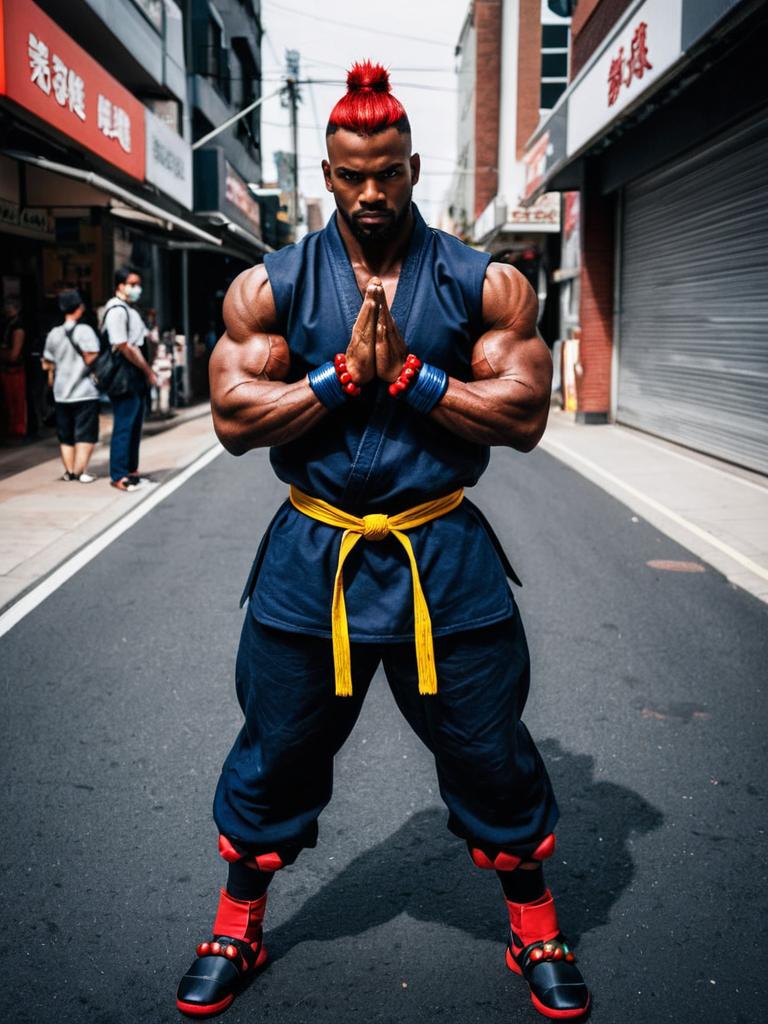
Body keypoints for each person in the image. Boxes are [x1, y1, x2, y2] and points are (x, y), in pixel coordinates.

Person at [176, 63, 590, 1022]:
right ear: (327, 171)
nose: (373, 193)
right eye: (354, 175)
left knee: (491, 749)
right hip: (311, 560)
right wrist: (334, 381)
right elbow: (235, 419)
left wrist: (410, 379)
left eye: (391, 173)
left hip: (441, 556)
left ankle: (536, 925)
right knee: (275, 749)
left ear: (412, 168)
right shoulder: (268, 285)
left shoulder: (480, 280)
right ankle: (238, 920)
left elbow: (524, 414)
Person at [102, 267, 157, 491]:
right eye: (132, 284)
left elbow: (143, 337)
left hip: (135, 374)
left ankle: (132, 471)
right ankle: (119, 475)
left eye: (138, 284)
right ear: (120, 286)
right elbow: (123, 345)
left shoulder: (130, 309)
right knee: (124, 425)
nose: (137, 289)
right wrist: (147, 370)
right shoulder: (116, 310)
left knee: (135, 425)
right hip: (125, 373)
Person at [41, 289, 101, 482]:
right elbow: (92, 355)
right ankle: (81, 472)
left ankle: (69, 472)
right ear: (79, 308)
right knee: (86, 433)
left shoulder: (54, 334)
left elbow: (46, 362)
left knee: (65, 434)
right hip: (84, 391)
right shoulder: (85, 331)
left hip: (61, 393)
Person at [0, 298, 28, 440]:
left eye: (9, 307)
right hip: (7, 368)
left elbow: (14, 355)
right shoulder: (7, 325)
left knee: (15, 400)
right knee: (9, 401)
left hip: (14, 369)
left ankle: (17, 429)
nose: (6, 310)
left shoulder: (18, 327)